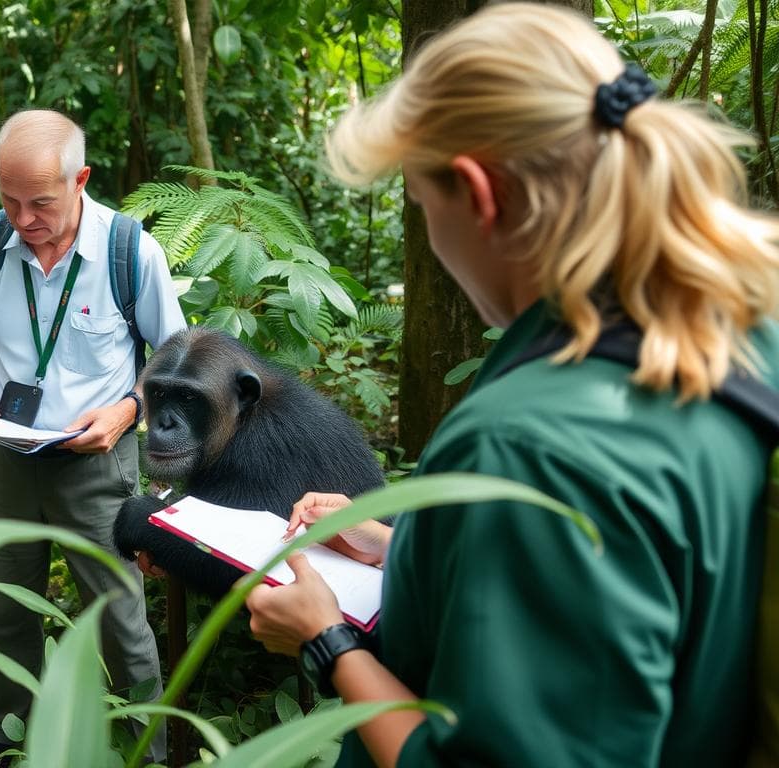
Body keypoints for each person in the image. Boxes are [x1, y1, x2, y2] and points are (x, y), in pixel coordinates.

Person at [244, 4, 779, 767]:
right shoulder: (742, 323)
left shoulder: (530, 444)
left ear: (478, 193)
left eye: (425, 206)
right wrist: (404, 548)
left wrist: (325, 640)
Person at [0, 109, 186, 767]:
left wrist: (127, 409)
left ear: (80, 180)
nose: (24, 218)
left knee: (117, 613)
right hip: (7, 454)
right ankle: (3, 733)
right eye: (9, 199)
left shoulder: (129, 250)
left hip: (97, 461)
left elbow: (176, 360)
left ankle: (146, 746)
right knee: (3, 602)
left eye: (41, 203)